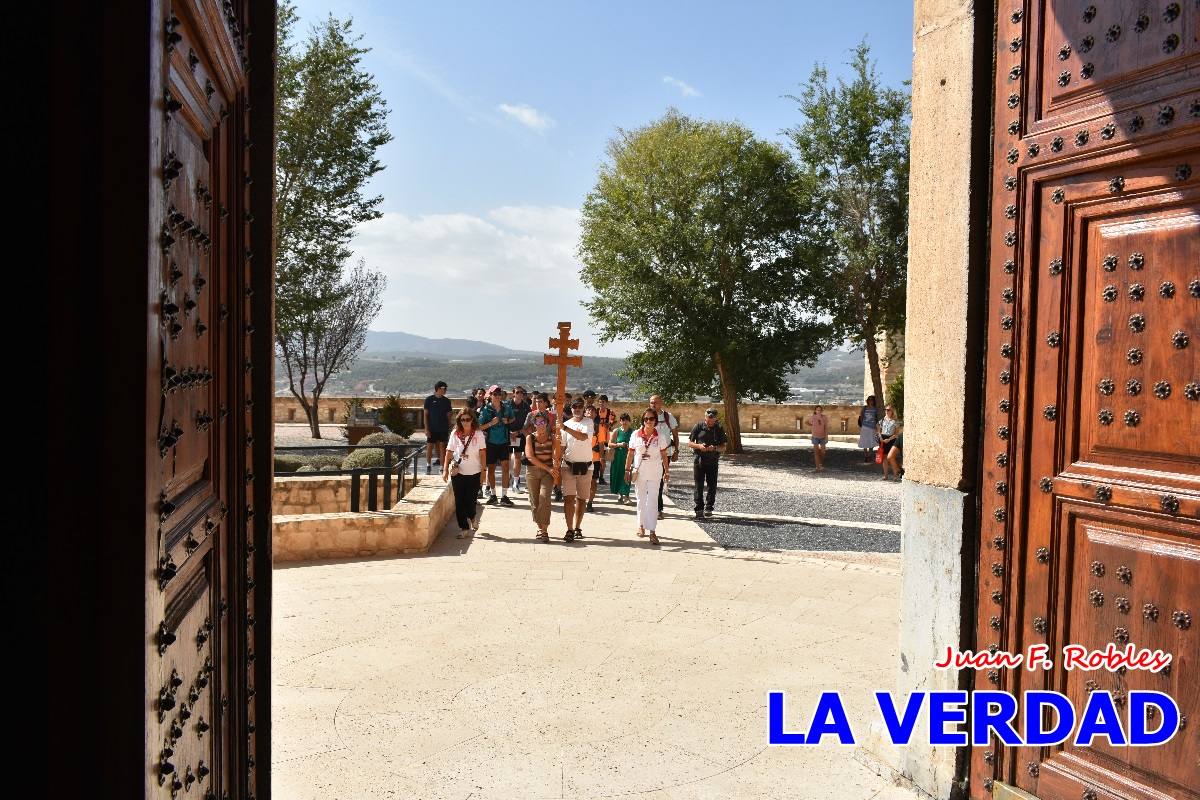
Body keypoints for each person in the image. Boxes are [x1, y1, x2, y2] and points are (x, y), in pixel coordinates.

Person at [625, 408, 670, 545]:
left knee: (652, 500)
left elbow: (663, 455)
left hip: (655, 471)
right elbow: (631, 454)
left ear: (655, 420)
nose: (648, 421)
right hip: (640, 471)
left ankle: (652, 530)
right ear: (643, 420)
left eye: (651, 419)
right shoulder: (635, 434)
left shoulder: (660, 436)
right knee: (641, 499)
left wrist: (666, 471)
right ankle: (641, 525)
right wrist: (627, 469)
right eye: (646, 419)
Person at [442, 409, 487, 539]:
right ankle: (464, 528)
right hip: (458, 472)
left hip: (475, 472)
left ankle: (472, 517)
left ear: (472, 420)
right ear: (459, 421)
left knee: (471, 500)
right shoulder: (455, 434)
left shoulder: (478, 434)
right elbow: (449, 451)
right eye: (463, 420)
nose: (465, 422)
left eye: (468, 419)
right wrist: (445, 469)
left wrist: (483, 472)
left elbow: (483, 453)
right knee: (459, 501)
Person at [558, 398, 594, 542]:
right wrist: (556, 463)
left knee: (581, 499)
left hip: (587, 466)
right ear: (571, 408)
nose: (577, 408)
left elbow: (584, 437)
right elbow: (562, 446)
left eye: (580, 406)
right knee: (568, 498)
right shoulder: (565, 424)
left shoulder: (588, 422)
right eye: (574, 406)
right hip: (568, 466)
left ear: (583, 408)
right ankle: (569, 529)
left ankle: (577, 526)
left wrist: (565, 428)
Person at [523, 407, 559, 542]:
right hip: (532, 471)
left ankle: (544, 530)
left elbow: (556, 454)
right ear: (534, 424)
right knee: (535, 501)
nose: (540, 425)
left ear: (546, 423)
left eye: (542, 422)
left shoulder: (553, 437)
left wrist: (555, 466)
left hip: (547, 473)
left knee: (544, 498)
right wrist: (548, 469)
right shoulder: (529, 438)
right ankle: (539, 527)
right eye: (537, 423)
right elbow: (530, 457)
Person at [478, 385, 516, 505]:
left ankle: (504, 496)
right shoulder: (485, 409)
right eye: (495, 394)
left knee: (505, 468)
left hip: (504, 441)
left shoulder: (507, 407)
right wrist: (490, 423)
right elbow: (479, 427)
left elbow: (513, 418)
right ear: (490, 396)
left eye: (499, 394)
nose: (498, 396)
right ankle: (493, 495)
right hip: (491, 443)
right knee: (491, 469)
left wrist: (508, 421)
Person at [687, 408, 727, 518]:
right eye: (708, 417)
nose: (710, 420)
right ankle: (699, 508)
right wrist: (699, 446)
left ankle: (709, 507)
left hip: (713, 461)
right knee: (698, 485)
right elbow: (690, 443)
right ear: (705, 417)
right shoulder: (698, 426)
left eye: (712, 418)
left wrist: (714, 448)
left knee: (712, 485)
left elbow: (723, 447)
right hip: (699, 460)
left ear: (716, 418)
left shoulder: (719, 428)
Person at [649, 394, 679, 519]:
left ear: (661, 403)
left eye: (655, 402)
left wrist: (676, 451)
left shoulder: (668, 417)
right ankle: (651, 508)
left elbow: (675, 435)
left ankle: (659, 509)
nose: (653, 404)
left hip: (665, 454)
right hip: (650, 454)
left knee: (660, 481)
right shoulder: (648, 416)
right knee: (650, 481)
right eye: (651, 402)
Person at [422, 381, 453, 473]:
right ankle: (428, 465)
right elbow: (425, 415)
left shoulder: (447, 401)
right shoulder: (429, 400)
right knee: (430, 446)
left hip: (443, 428)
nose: (445, 390)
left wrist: (449, 427)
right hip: (432, 428)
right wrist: (426, 429)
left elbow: (449, 415)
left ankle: (442, 466)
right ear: (438, 389)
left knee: (442, 446)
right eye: (444, 388)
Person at [507, 386, 531, 493]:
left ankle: (516, 483)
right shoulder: (506, 405)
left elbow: (529, 423)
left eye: (522, 392)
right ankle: (507, 477)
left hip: (519, 435)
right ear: (513, 393)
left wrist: (518, 432)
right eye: (518, 392)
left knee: (518, 457)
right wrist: (509, 432)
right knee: (506, 458)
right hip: (507, 435)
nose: (520, 394)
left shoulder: (526, 407)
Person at [608, 413, 634, 504]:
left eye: (626, 420)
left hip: (628, 457)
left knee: (627, 475)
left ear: (629, 421)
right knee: (618, 475)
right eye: (622, 420)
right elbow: (609, 444)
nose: (624, 422)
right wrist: (619, 444)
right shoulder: (616, 431)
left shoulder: (633, 432)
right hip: (617, 456)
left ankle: (626, 496)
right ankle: (620, 493)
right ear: (620, 421)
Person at [592, 394, 616, 489]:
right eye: (600, 402)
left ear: (607, 403)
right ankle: (594, 476)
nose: (601, 404)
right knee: (595, 457)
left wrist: (608, 424)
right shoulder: (596, 411)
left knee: (603, 458)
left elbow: (613, 422)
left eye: (603, 402)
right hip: (595, 437)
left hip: (605, 437)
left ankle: (601, 476)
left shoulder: (610, 412)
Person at [878, 405, 903, 481]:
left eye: (888, 410)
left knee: (891, 457)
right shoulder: (882, 420)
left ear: (892, 411)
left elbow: (896, 433)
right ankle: (885, 476)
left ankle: (895, 475)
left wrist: (888, 439)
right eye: (885, 409)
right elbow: (878, 430)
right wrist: (881, 438)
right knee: (884, 458)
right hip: (883, 439)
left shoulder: (895, 421)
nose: (886, 411)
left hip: (891, 439)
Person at [806, 405, 830, 472]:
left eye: (820, 410)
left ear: (822, 411)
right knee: (816, 452)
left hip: (822, 437)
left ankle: (820, 464)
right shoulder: (813, 417)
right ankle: (817, 468)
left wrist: (826, 436)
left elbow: (826, 427)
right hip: (815, 436)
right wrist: (812, 426)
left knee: (823, 452)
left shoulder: (824, 417)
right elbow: (806, 422)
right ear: (815, 411)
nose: (818, 411)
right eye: (817, 410)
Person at [857, 395, 879, 463]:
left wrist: (876, 427)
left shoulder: (875, 409)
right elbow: (861, 416)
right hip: (865, 427)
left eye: (872, 399)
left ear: (874, 401)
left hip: (872, 428)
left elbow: (876, 418)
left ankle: (869, 456)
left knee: (871, 442)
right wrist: (862, 424)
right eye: (869, 399)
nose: (870, 401)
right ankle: (866, 456)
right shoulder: (865, 408)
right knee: (864, 441)